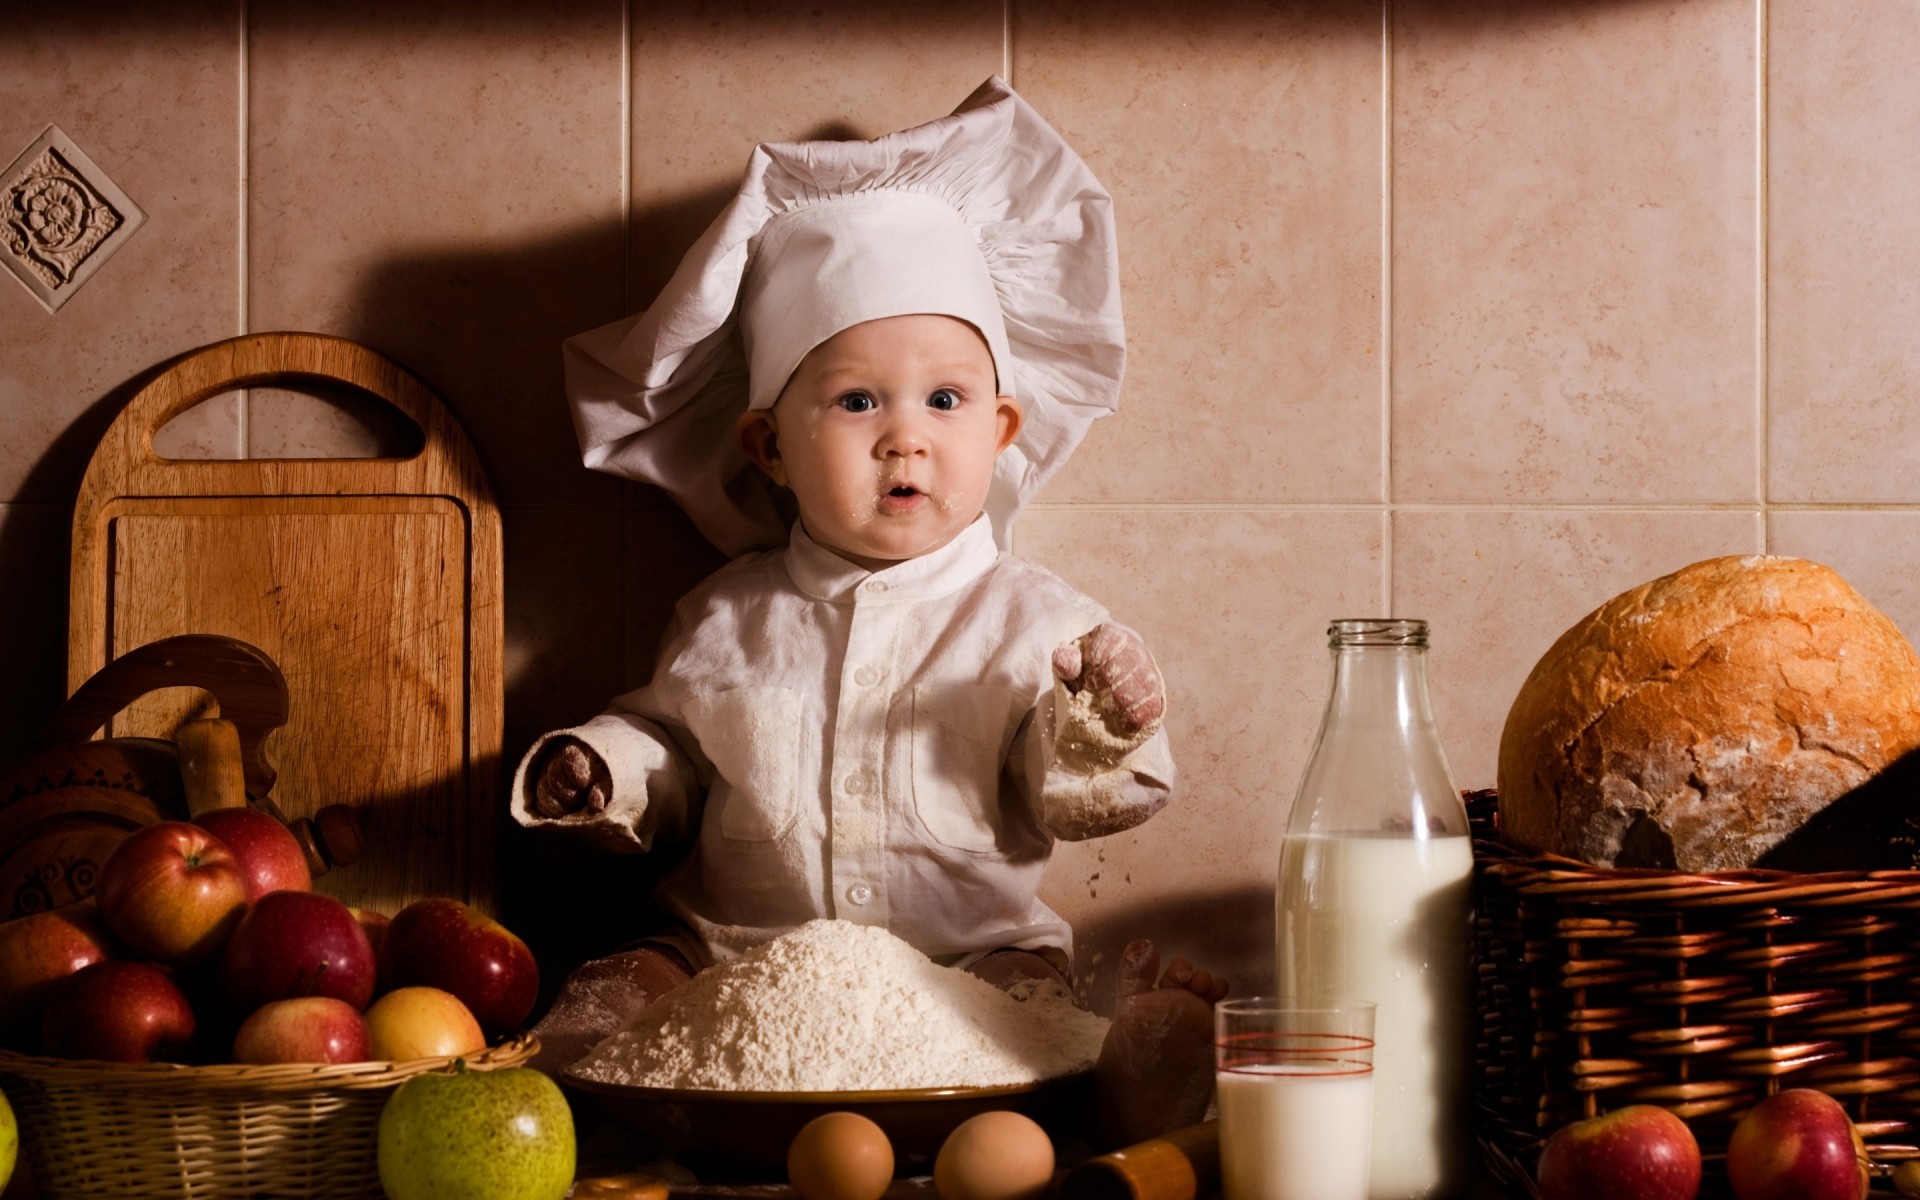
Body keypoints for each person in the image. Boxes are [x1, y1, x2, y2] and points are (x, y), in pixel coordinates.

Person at [513, 77, 1224, 1146]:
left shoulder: (1034, 621)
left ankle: (1128, 1087)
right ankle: (587, 1119)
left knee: (1039, 1011)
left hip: (968, 972)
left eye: (945, 400)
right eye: (856, 402)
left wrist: (1100, 728)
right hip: (732, 965)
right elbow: (671, 749)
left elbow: (1064, 786)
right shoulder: (724, 618)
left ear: (1002, 428)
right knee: (610, 994)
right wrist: (605, 766)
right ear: (768, 449)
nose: (906, 438)